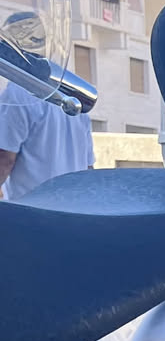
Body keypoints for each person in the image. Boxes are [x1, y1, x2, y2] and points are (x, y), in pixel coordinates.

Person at [0, 12, 95, 200]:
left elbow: (5, 157)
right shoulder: (70, 91)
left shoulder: (18, 91)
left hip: (35, 210)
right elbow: (88, 166)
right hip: (75, 206)